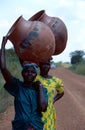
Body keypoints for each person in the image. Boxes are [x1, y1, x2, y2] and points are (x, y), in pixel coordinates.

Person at [0, 37, 48, 130]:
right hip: (20, 127)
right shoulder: (17, 87)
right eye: (26, 71)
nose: (29, 74)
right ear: (22, 73)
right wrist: (3, 46)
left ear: (36, 75)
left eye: (32, 72)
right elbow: (3, 68)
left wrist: (40, 87)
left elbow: (43, 108)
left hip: (36, 127)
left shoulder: (42, 90)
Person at [35, 58, 64, 130]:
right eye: (43, 64)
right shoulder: (34, 78)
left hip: (49, 112)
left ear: (50, 66)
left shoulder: (56, 81)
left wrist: (53, 100)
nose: (45, 66)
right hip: (36, 111)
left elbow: (61, 92)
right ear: (39, 65)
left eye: (47, 64)